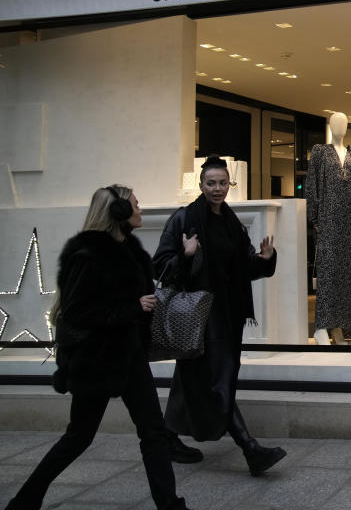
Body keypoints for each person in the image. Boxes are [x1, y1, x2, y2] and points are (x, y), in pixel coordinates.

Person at [5, 186, 190, 510]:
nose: (140, 208)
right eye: (135, 203)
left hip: (130, 357)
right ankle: (24, 502)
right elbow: (77, 312)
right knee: (78, 437)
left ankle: (170, 505)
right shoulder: (88, 255)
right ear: (117, 212)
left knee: (153, 433)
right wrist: (132, 306)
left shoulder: (132, 251)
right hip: (97, 361)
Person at [153, 155, 285, 475]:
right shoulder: (185, 219)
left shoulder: (231, 222)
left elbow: (240, 271)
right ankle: (250, 449)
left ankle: (166, 438)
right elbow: (161, 266)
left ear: (230, 185)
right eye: (210, 183)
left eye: (222, 183)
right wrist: (185, 257)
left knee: (194, 378)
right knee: (218, 383)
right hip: (200, 315)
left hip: (228, 313)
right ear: (200, 185)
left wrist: (265, 260)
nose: (217, 189)